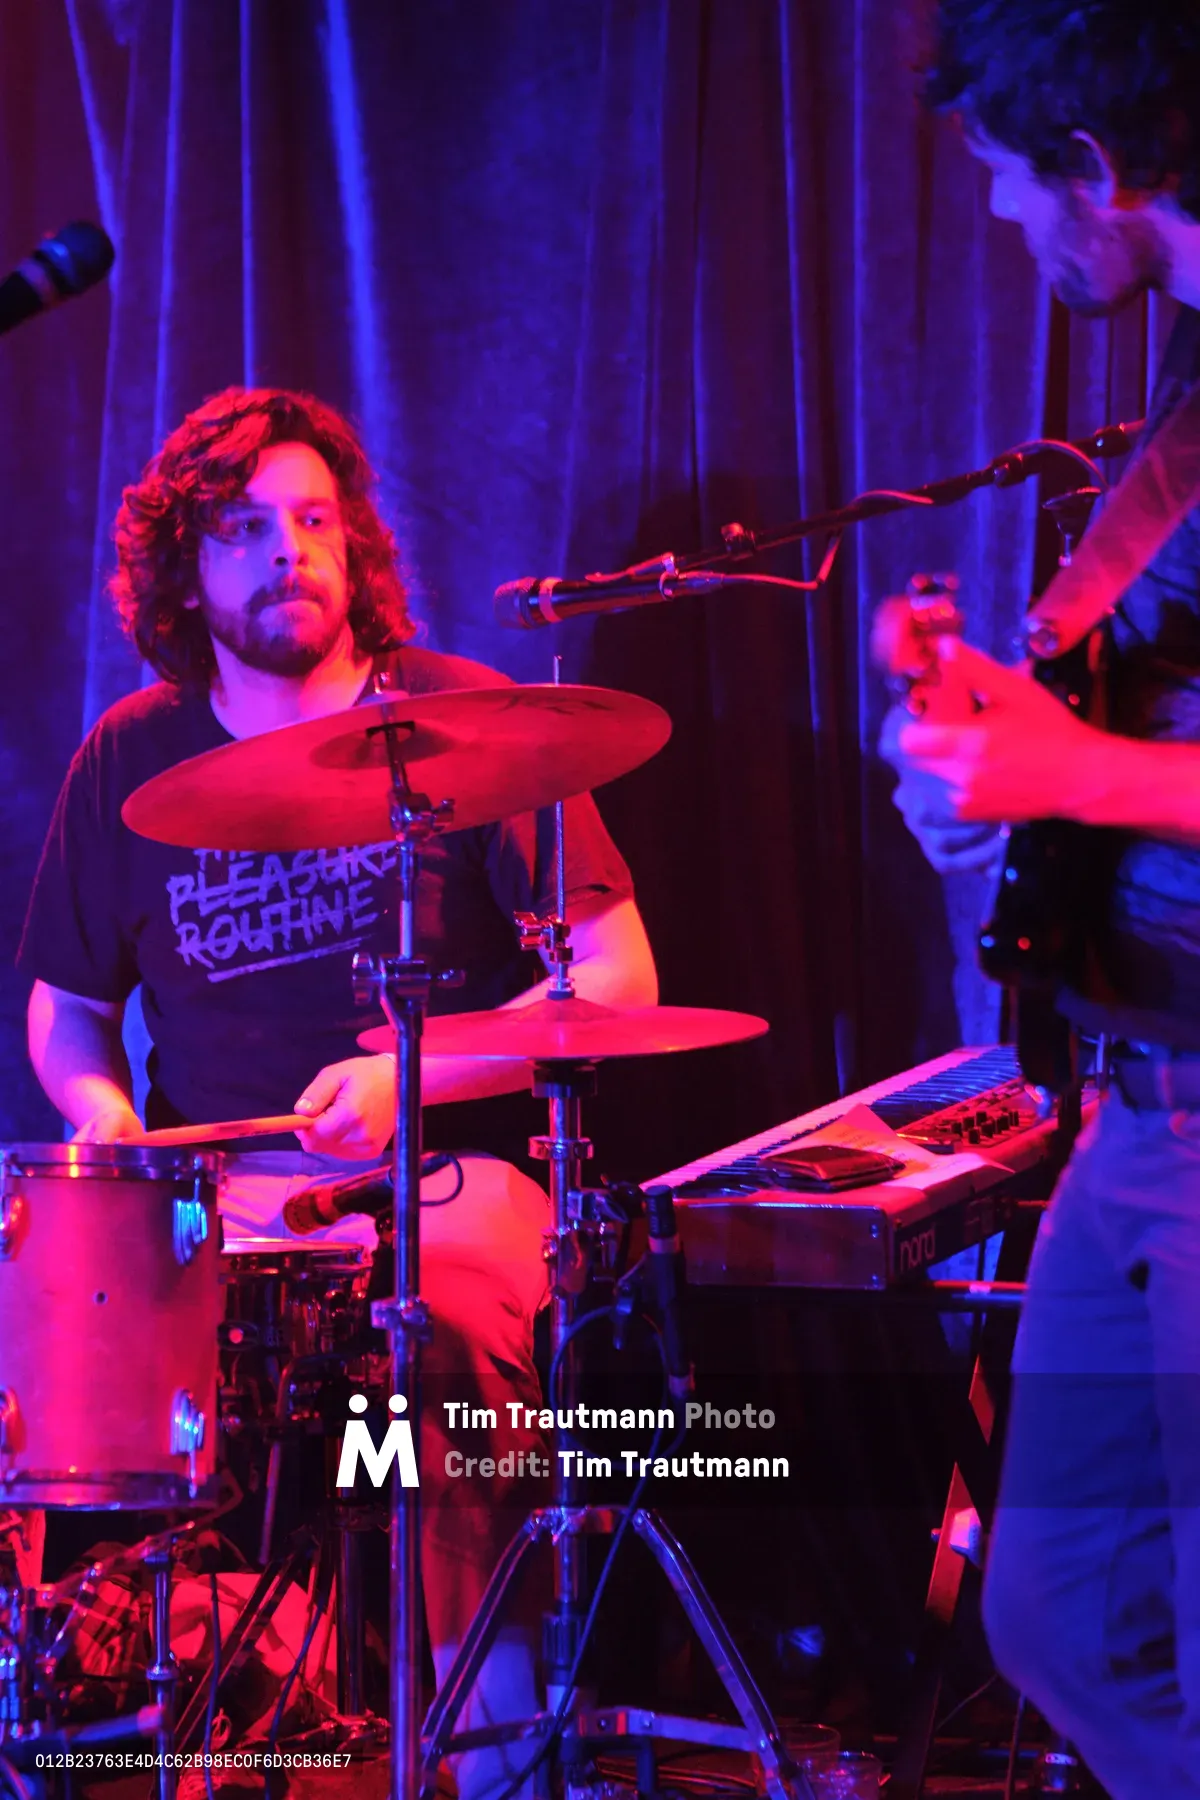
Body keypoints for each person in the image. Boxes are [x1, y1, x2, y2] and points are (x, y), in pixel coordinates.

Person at [17, 385, 658, 1797]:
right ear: (186, 567)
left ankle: (485, 1724)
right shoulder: (131, 753)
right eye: (244, 529)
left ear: (354, 547)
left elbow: (614, 973)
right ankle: (121, 1705)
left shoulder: (471, 725)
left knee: (444, 1329)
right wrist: (110, 1132)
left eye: (313, 521)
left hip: (446, 1180)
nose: (285, 553)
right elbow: (64, 1014)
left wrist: (418, 1074)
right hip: (221, 1202)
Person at [880, 6, 1200, 1795]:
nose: (1001, 217)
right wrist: (985, 760)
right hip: (1140, 1099)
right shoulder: (1187, 395)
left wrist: (1065, 774)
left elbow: (1112, 770)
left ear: (1098, 166)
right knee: (1059, 1612)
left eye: (1008, 175)